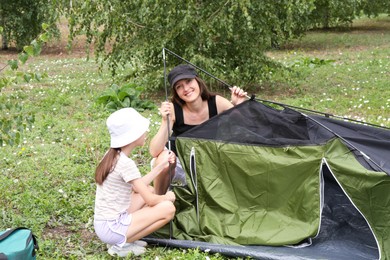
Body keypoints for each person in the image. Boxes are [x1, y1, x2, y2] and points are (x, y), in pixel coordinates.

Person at [150, 64, 248, 195]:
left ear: (197, 80)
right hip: (179, 165)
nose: (186, 89)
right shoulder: (174, 109)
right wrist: (165, 122)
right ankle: (158, 201)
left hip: (208, 166)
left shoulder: (216, 102)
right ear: (176, 92)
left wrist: (238, 105)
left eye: (188, 81)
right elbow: (154, 151)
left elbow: (245, 125)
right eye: (179, 86)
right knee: (164, 159)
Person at [93, 108, 176, 257]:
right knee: (168, 208)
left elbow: (139, 186)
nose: (146, 133)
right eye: (143, 130)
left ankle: (124, 239)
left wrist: (162, 166)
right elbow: (150, 201)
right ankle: (121, 244)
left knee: (149, 190)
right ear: (132, 135)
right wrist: (167, 196)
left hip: (104, 225)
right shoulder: (125, 163)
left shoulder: (112, 155)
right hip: (112, 228)